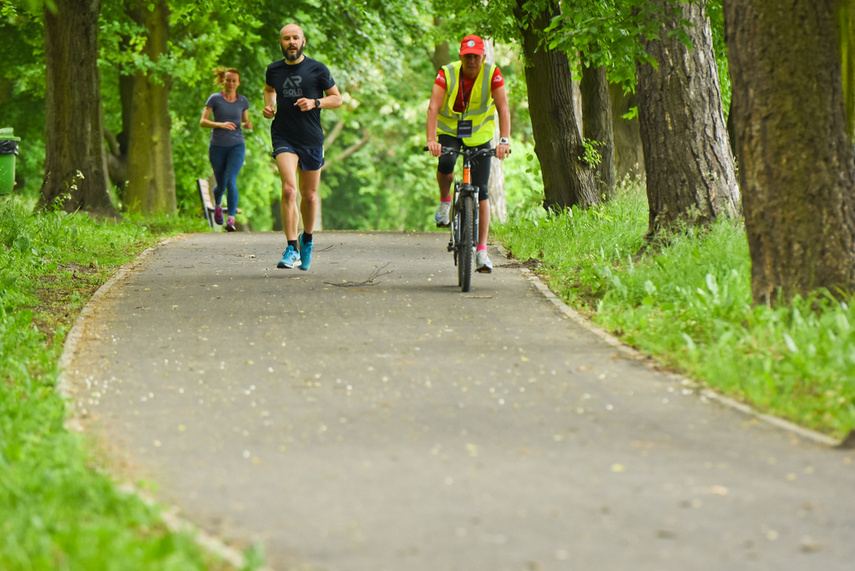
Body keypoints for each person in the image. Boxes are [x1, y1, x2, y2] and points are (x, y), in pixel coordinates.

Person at [426, 34, 511, 274]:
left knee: (482, 189)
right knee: (447, 162)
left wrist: (504, 141)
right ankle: (445, 202)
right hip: (450, 131)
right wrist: (431, 140)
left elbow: (503, 107)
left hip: (480, 133)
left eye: (476, 56)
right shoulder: (447, 72)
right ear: (461, 56)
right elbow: (433, 107)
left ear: (483, 57)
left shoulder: (492, 73)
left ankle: (482, 251)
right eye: (467, 56)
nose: (471, 61)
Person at [263, 23, 342, 271]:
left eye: (295, 38)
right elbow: (268, 90)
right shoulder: (273, 69)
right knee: (289, 190)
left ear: (303, 41)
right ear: (281, 43)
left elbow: (337, 99)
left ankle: (306, 239)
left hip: (310, 137)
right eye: (286, 38)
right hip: (283, 135)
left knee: (308, 196)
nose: (291, 42)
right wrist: (270, 106)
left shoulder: (317, 69)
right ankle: (291, 247)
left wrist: (316, 102)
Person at [200, 67, 252, 232]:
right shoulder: (215, 99)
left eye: (234, 80)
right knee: (221, 184)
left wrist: (247, 124)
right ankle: (218, 205)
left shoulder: (243, 101)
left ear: (238, 83)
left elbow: (244, 121)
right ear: (223, 81)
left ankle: (230, 220)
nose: (230, 83)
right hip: (217, 146)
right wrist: (220, 124)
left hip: (237, 145)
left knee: (231, 180)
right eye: (228, 80)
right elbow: (203, 121)